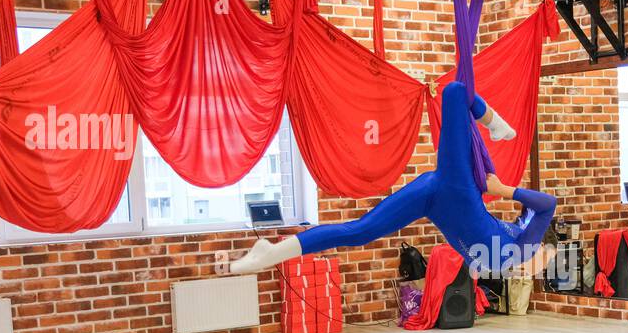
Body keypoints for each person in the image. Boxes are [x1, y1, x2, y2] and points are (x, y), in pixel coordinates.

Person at [229, 82, 558, 276]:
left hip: (439, 199)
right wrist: (504, 190)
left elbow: (531, 212)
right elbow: (547, 205)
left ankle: (273, 252)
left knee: (360, 232)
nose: (544, 267)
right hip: (455, 192)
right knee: (456, 91)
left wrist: (498, 187)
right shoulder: (524, 244)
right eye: (550, 259)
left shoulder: (511, 257)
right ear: (544, 247)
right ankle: (495, 123)